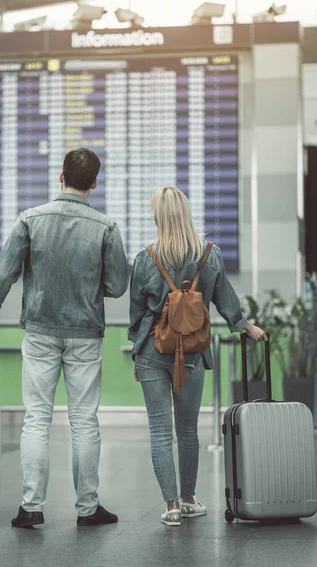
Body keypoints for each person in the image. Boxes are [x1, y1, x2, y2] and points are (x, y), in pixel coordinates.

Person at [0, 148, 128, 528]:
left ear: (61, 177)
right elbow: (117, 285)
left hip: (41, 331)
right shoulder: (106, 227)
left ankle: (31, 507)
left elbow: (4, 273)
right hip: (85, 334)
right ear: (93, 183)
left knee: (37, 420)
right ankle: (88, 508)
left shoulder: (30, 219)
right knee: (84, 421)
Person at [128, 187, 267, 528]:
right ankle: (189, 498)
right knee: (187, 430)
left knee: (160, 432)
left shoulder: (147, 257)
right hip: (192, 352)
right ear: (186, 212)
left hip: (152, 351)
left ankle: (171, 505)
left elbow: (135, 312)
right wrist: (246, 326)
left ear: (158, 216)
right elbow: (225, 301)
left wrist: (138, 346)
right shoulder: (209, 253)